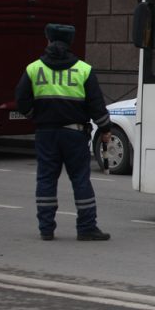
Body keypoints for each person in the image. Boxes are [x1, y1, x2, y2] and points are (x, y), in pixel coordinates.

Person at [15, 24, 112, 241]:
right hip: (75, 134)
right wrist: (105, 129)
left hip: (45, 133)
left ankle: (46, 229)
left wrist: (36, 115)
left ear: (48, 41)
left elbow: (21, 101)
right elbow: (96, 105)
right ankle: (86, 228)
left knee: (46, 179)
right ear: (70, 43)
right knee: (80, 180)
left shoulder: (34, 69)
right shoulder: (84, 70)